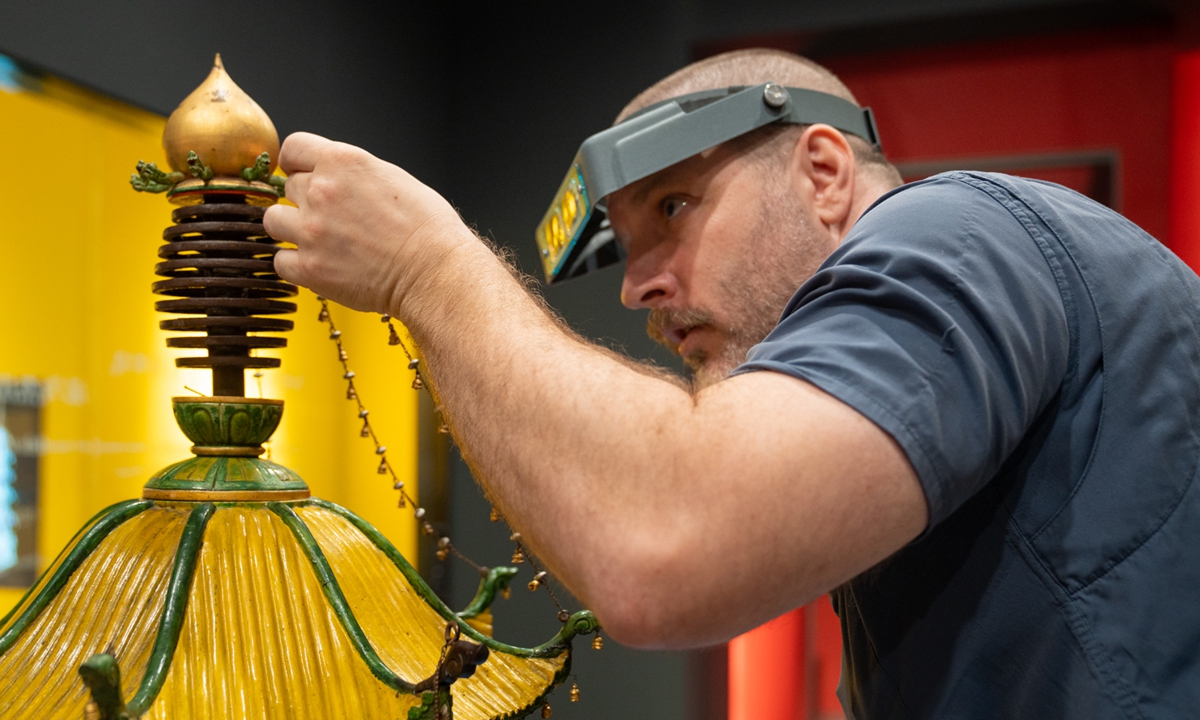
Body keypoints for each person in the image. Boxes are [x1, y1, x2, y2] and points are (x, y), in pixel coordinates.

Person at [263, 49, 1200, 718]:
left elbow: (666, 549)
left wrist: (430, 271)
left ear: (825, 172)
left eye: (673, 206)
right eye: (626, 249)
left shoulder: (953, 233)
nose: (638, 286)